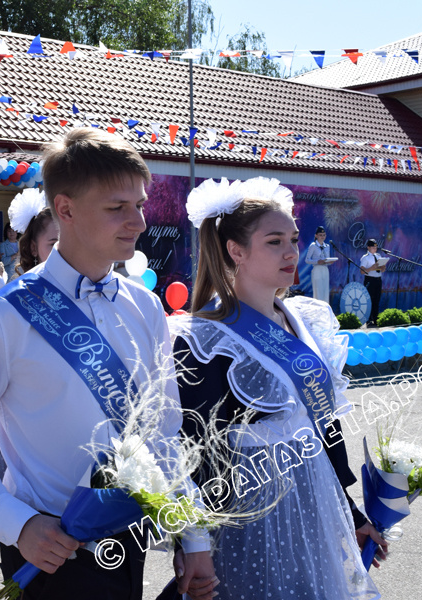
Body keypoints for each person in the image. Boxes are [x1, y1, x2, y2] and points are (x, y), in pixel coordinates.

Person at [0, 128, 215, 600]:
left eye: (140, 205)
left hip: (131, 539)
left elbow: (163, 430)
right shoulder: (5, 314)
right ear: (65, 210)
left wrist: (192, 535)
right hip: (50, 550)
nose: (139, 221)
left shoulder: (144, 306)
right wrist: (17, 524)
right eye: (117, 208)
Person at [165, 177, 385, 599]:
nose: (291, 252)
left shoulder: (306, 319)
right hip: (250, 512)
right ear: (235, 250)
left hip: (315, 502)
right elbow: (191, 452)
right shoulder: (204, 338)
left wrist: (352, 513)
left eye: (294, 238)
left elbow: (323, 429)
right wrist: (191, 542)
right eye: (274, 241)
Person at [7, 188, 58, 279]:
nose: (64, 251)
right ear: (33, 248)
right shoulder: (22, 290)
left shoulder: (85, 287)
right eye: (53, 244)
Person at [360, 239, 386, 326]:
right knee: (369, 299)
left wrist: (383, 267)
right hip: (370, 279)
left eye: (376, 247)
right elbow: (362, 271)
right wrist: (372, 267)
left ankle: (375, 318)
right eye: (373, 247)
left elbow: (382, 270)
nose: (375, 249)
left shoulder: (378, 256)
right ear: (368, 247)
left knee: (377, 299)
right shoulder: (365, 257)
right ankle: (368, 318)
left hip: (378, 279)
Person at [304, 225, 333, 304]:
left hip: (325, 269)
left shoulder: (327, 246)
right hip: (317, 269)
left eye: (324, 235)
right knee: (318, 290)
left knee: (325, 290)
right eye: (320, 235)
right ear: (316, 235)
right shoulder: (313, 245)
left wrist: (329, 261)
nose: (322, 237)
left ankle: (325, 308)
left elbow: (327, 258)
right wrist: (317, 262)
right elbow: (307, 260)